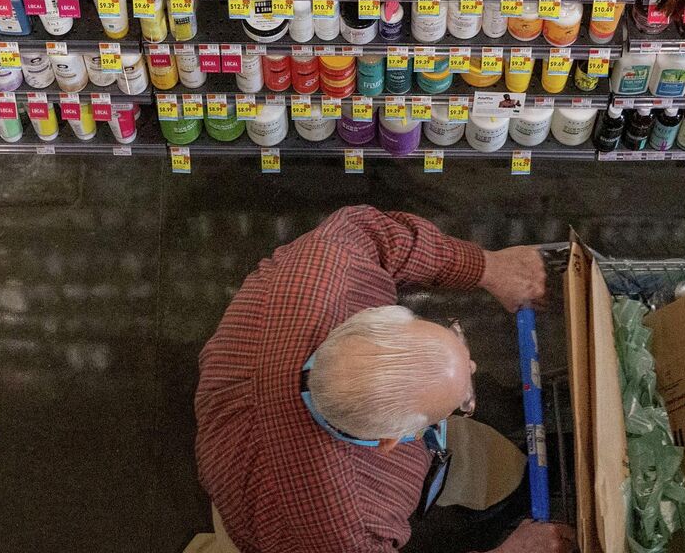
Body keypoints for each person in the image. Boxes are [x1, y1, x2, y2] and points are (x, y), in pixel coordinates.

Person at [195, 206, 564, 553]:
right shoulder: (346, 525)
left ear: (378, 318)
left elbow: (386, 238)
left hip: (236, 451)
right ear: (391, 442)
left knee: (490, 465)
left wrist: (490, 267)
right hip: (263, 524)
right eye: (464, 400)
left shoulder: (327, 265)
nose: (473, 367)